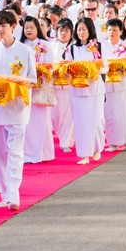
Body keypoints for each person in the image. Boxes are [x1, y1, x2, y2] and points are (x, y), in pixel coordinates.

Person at [0, 10, 36, 210]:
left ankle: (14, 194)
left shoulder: (25, 51)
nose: (0, 29)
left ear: (13, 26)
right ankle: (5, 194)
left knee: (15, 151)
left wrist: (16, 85)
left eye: (4, 25)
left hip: (18, 108)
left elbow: (32, 79)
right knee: (1, 153)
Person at [64, 17, 106, 164]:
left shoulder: (98, 46)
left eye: (84, 29)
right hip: (77, 90)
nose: (81, 32)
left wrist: (92, 68)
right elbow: (67, 67)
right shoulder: (72, 49)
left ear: (90, 30)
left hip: (95, 88)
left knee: (96, 120)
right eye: (79, 29)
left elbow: (105, 67)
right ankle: (84, 154)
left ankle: (97, 149)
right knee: (81, 122)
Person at [21, 16, 55, 164]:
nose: (28, 30)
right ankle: (30, 153)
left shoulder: (46, 45)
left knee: (41, 122)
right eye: (26, 27)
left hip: (40, 87)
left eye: (31, 27)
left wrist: (41, 73)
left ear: (37, 29)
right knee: (26, 123)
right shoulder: (20, 45)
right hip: (24, 88)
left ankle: (41, 153)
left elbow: (51, 66)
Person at [102, 18, 126, 151]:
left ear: (120, 31)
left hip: (123, 83)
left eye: (115, 30)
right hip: (108, 85)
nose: (112, 32)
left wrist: (123, 67)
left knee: (124, 113)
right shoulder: (102, 45)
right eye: (109, 30)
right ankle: (113, 142)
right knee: (110, 115)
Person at [51, 18, 75, 152]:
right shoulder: (51, 46)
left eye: (66, 30)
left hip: (69, 86)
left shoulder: (75, 47)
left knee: (68, 115)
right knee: (55, 115)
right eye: (61, 30)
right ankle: (62, 136)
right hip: (54, 85)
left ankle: (65, 142)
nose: (63, 33)